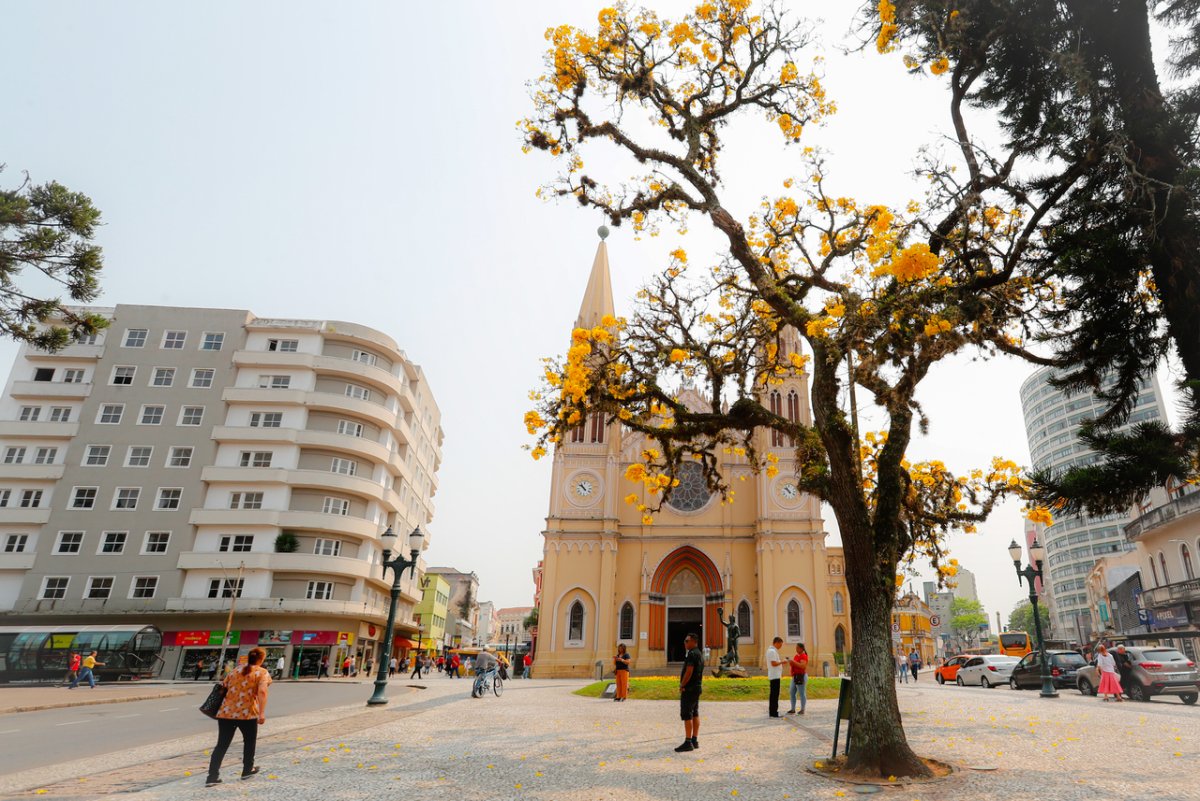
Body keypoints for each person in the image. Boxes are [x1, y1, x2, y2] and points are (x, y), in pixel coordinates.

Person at [206, 646, 271, 786]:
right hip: (247, 714)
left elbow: (224, 686)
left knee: (221, 745)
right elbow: (263, 692)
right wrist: (262, 712)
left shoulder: (235, 670)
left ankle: (212, 776)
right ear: (261, 659)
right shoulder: (262, 672)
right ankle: (247, 770)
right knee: (249, 742)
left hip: (226, 713)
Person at [675, 633, 703, 752]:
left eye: (687, 641)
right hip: (696, 688)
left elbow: (689, 671)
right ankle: (694, 739)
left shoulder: (692, 654)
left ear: (694, 642)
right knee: (695, 713)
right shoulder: (699, 653)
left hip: (690, 689)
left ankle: (687, 742)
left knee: (687, 714)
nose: (685, 643)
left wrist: (682, 684)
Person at [766, 637, 785, 718]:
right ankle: (774, 712)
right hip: (775, 675)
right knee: (774, 695)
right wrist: (782, 662)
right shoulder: (772, 651)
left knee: (774, 694)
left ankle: (773, 711)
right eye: (780, 644)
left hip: (774, 675)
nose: (780, 646)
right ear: (776, 642)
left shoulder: (771, 651)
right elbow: (773, 663)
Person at [788, 643, 809, 715]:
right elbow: (795, 664)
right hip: (795, 676)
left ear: (801, 648)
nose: (796, 649)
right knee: (791, 691)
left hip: (801, 676)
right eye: (796, 648)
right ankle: (793, 709)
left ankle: (802, 709)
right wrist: (791, 662)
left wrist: (793, 662)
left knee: (801, 693)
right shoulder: (796, 656)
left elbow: (802, 666)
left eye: (797, 648)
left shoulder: (804, 656)